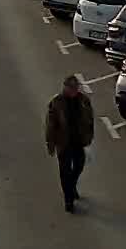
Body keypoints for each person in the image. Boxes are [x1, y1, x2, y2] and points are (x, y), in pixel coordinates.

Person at [43, 75, 94, 213]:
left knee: (79, 165)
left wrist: (89, 135)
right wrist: (50, 143)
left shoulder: (83, 101)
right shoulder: (57, 102)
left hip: (78, 141)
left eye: (76, 87)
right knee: (65, 171)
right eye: (71, 87)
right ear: (65, 87)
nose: (74, 90)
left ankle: (71, 186)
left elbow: (90, 118)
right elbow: (50, 125)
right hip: (63, 142)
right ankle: (68, 199)